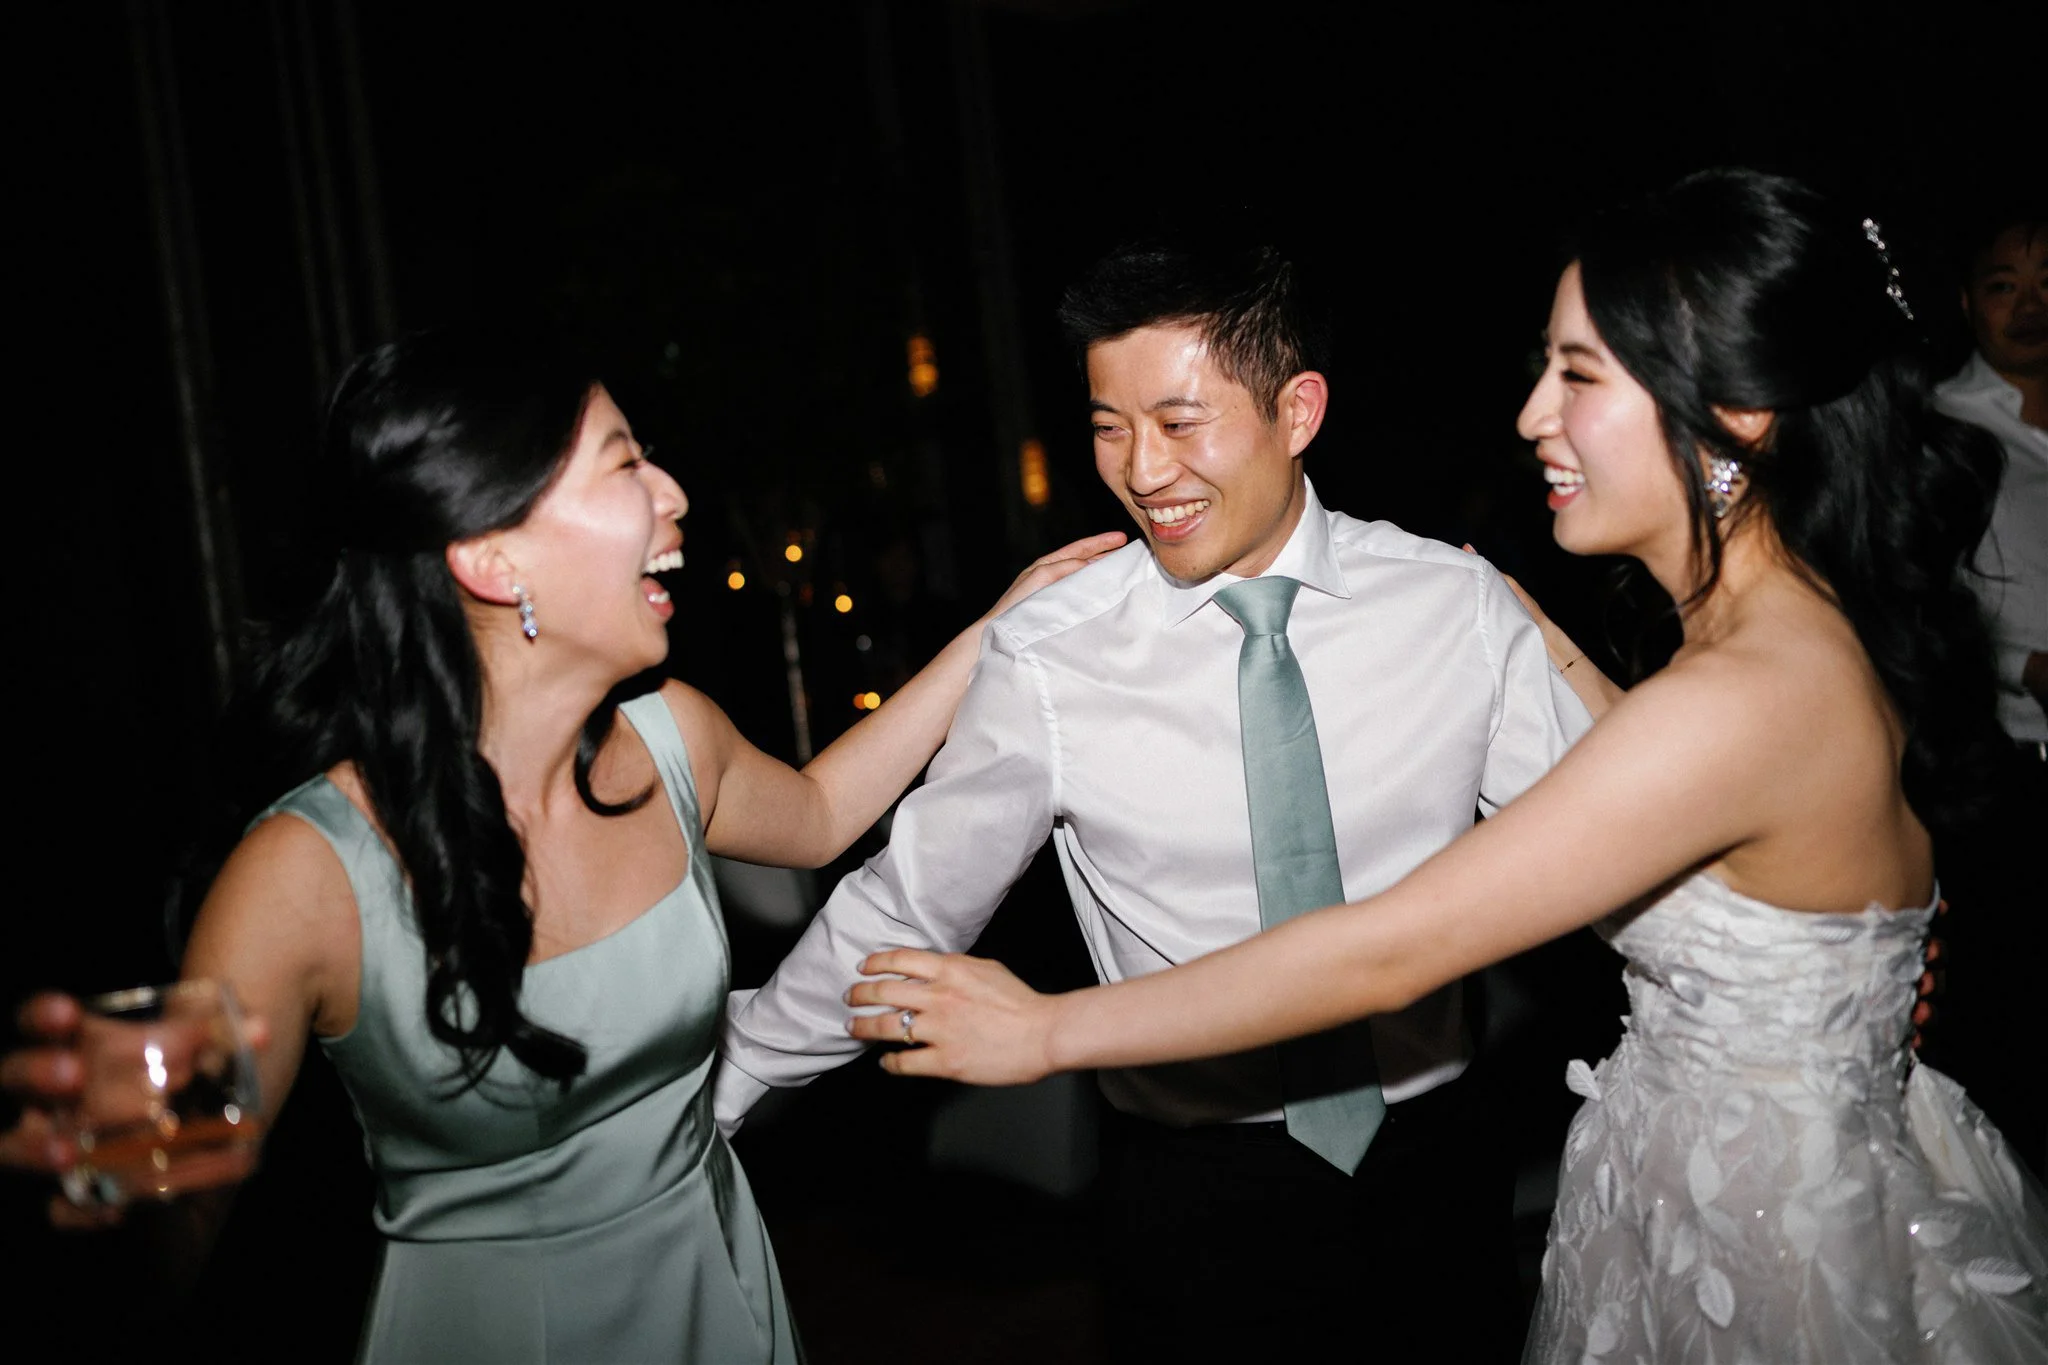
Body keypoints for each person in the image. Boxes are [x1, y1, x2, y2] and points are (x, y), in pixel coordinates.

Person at [847, 170, 2048, 1360]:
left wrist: (1049, 1031)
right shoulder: (1792, 640)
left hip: (1757, 1237)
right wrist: (1533, 630)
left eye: (1578, 375)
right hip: (1736, 1168)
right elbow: (1685, 793)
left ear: (1728, 413)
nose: (1531, 415)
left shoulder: (1730, 703)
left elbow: (1385, 948)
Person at [0, 329, 1120, 1363]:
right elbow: (160, 1214)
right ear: (494, 559)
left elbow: (823, 812)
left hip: (718, 1290)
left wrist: (993, 630)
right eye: (626, 465)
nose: (675, 496)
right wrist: (99, 1186)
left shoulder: (673, 739)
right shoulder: (300, 871)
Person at [712, 241, 1592, 1360]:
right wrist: (730, 1082)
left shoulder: (1448, 604)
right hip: (1192, 1193)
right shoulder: (1049, 656)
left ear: (1298, 410)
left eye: (1180, 424)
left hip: (1436, 1161)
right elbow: (907, 907)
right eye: (1106, 427)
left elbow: (1603, 841)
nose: (1141, 470)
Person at [1925, 207, 2048, 1176]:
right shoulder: (1941, 430)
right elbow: (1930, 592)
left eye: (2044, 282)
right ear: (1968, 301)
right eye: (2004, 283)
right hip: (2012, 773)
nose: (2028, 304)